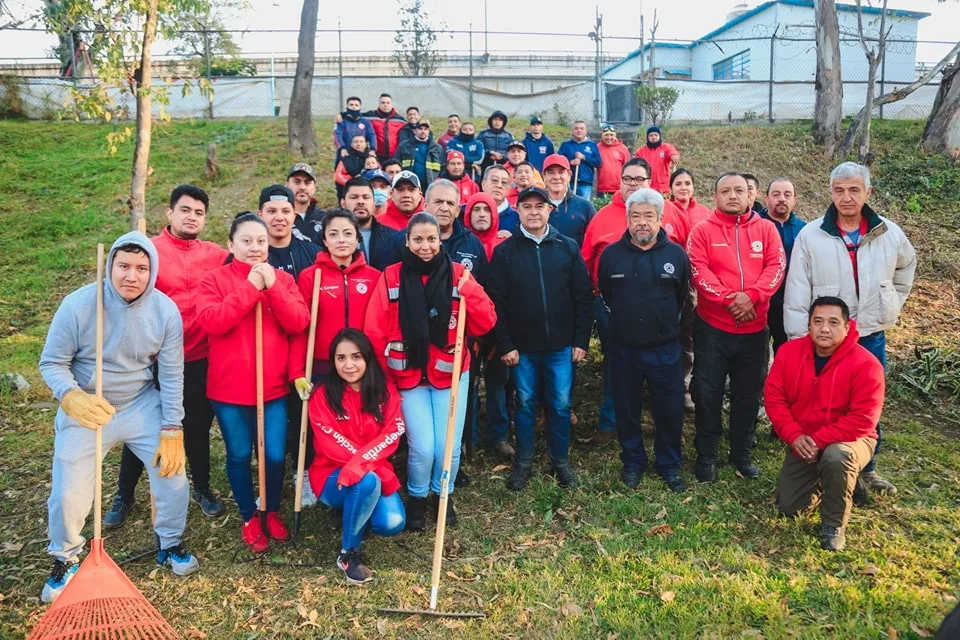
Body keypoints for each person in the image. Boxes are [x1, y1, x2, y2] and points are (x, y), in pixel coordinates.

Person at [39, 232, 200, 603]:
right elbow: (52, 362)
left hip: (141, 402)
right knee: (68, 491)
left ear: (153, 271)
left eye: (142, 268)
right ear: (109, 265)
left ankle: (170, 541)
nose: (132, 276)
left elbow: (173, 373)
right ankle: (64, 557)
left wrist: (172, 426)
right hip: (88, 406)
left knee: (173, 476)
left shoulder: (165, 311)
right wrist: (70, 395)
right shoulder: (79, 305)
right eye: (124, 266)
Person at [784, 161, 916, 496]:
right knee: (824, 400)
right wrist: (800, 338)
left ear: (867, 192)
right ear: (831, 192)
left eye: (854, 190)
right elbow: (798, 288)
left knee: (866, 404)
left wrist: (892, 302)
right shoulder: (811, 235)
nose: (847, 197)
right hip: (824, 339)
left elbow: (906, 267)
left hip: (869, 335)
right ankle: (821, 463)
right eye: (840, 190)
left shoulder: (888, 232)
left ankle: (865, 468)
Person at [105, 186, 227, 530]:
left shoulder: (216, 255)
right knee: (143, 426)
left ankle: (202, 487)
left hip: (201, 357)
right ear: (169, 214)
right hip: (152, 359)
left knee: (197, 427)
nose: (192, 217)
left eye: (199, 213)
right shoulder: (150, 253)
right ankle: (125, 494)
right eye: (185, 210)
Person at [364, 212, 497, 529]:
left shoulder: (459, 275)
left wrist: (472, 294)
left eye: (432, 239)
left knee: (447, 446)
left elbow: (486, 322)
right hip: (407, 378)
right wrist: (383, 377)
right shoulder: (391, 277)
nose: (425, 246)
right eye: (418, 239)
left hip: (449, 375)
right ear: (407, 241)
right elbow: (374, 331)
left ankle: (443, 495)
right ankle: (418, 498)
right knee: (423, 447)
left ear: (441, 241)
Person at [196, 213, 310, 552]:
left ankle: (270, 509)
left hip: (272, 388)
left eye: (261, 241)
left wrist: (272, 287)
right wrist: (250, 288)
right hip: (228, 391)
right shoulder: (213, 281)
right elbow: (214, 322)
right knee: (240, 453)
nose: (255, 248)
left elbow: (299, 322)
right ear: (231, 245)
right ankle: (248, 515)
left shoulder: (283, 280)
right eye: (246, 241)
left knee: (274, 455)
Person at [487, 187, 593, 491]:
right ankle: (523, 462)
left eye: (540, 206)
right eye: (527, 206)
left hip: (561, 345)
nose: (534, 211)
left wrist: (581, 340)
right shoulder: (506, 252)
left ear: (550, 210)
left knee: (560, 404)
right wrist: (505, 343)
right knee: (525, 404)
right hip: (522, 349)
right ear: (517, 211)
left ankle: (559, 461)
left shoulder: (567, 247)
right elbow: (497, 302)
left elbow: (583, 296)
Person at [687, 172, 785, 483]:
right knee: (707, 392)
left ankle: (741, 453)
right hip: (713, 329)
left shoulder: (767, 229)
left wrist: (752, 297)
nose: (733, 196)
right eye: (726, 191)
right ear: (714, 197)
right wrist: (731, 300)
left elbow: (776, 266)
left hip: (755, 331)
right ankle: (707, 454)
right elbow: (697, 270)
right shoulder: (702, 231)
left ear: (750, 196)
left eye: (739, 190)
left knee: (748, 394)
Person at [766, 297, 883, 551]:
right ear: (808, 326)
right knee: (791, 507)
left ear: (847, 327)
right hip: (804, 440)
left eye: (833, 322)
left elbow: (863, 420)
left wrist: (818, 441)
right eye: (817, 322)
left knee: (836, 457)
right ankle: (840, 480)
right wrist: (795, 436)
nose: (825, 329)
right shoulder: (788, 353)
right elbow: (774, 400)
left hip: (852, 440)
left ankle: (833, 525)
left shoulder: (866, 364)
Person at [598, 189, 690, 493]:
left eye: (649, 216)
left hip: (664, 349)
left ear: (660, 219)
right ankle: (633, 462)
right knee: (627, 409)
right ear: (627, 219)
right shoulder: (611, 256)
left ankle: (669, 464)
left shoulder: (676, 255)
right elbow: (606, 296)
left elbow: (681, 299)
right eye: (635, 216)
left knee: (669, 409)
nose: (642, 222)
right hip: (624, 349)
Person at [289, 210, 381, 491]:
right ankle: (315, 477)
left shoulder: (374, 277)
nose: (341, 240)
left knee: (359, 425)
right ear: (325, 241)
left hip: (360, 365)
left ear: (357, 238)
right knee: (324, 426)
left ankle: (360, 476)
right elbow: (300, 328)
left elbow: (379, 326)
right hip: (321, 365)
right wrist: (297, 372)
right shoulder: (309, 277)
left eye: (347, 233)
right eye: (333, 234)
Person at [308, 329, 407, 584]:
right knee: (368, 482)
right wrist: (359, 468)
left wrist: (360, 465)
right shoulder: (322, 395)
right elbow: (330, 443)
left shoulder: (385, 391)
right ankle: (348, 554)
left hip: (371, 469)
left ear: (367, 359)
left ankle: (357, 512)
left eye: (356, 357)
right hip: (332, 474)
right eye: (341, 358)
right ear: (333, 361)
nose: (349, 365)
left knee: (392, 523)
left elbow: (392, 433)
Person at [463, 193, 513, 457]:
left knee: (498, 384)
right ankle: (467, 437)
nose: (481, 214)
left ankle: (499, 435)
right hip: (467, 327)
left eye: (486, 210)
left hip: (497, 324)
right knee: (468, 384)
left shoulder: (505, 244)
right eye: (476, 209)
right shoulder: (463, 244)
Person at [382, 180, 489, 281]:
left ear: (457, 211)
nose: (444, 208)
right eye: (438, 202)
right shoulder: (399, 241)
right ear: (425, 206)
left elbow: (483, 287)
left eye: (450, 203)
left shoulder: (473, 244)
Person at [759, 177, 806, 353]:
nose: (782, 198)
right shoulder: (754, 225)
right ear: (766, 199)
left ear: (795, 199)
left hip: (791, 299)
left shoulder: (805, 230)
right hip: (760, 299)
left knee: (786, 349)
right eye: (776, 194)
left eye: (787, 194)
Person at [257, 185, 321, 281]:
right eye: (272, 211)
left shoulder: (315, 254)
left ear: (294, 215)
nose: (279, 217)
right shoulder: (251, 256)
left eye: (286, 211)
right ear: (260, 215)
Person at [541, 154, 596, 247]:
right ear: (544, 176)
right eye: (551, 172)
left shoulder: (585, 207)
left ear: (569, 175)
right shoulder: (535, 206)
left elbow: (594, 240)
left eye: (561, 172)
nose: (556, 177)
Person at [345, 175, 396, 270]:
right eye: (354, 197)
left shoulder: (392, 238)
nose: (361, 202)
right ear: (343, 203)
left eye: (366, 197)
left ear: (373, 203)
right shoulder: (329, 237)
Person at [557, 121, 601, 199]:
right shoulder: (566, 145)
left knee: (583, 207)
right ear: (572, 131)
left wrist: (584, 157)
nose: (579, 130)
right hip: (569, 182)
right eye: (576, 128)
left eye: (582, 128)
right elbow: (558, 161)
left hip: (585, 182)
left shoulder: (592, 145)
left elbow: (598, 162)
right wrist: (570, 162)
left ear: (586, 131)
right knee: (569, 205)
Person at [634, 126, 680, 194]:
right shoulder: (640, 151)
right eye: (651, 135)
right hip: (647, 187)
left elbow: (672, 152)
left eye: (656, 135)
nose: (654, 137)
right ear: (647, 137)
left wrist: (674, 156)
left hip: (663, 187)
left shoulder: (666, 147)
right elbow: (636, 167)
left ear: (659, 136)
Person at [397, 120, 443, 188]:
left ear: (428, 131)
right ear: (414, 131)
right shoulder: (404, 146)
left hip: (430, 184)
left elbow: (443, 166)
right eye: (420, 129)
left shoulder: (437, 148)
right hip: (409, 183)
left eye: (425, 129)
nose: (423, 131)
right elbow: (397, 163)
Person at [286, 163, 325, 243]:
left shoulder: (325, 218)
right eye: (297, 182)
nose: (302, 187)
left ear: (314, 187)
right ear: (287, 185)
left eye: (307, 183)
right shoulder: (279, 218)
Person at [363, 93, 407, 161]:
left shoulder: (400, 120)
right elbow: (355, 116)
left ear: (391, 104)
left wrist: (421, 123)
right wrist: (342, 115)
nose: (385, 105)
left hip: (395, 156)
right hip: (376, 156)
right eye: (383, 102)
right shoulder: (370, 116)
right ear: (379, 104)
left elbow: (412, 127)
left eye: (388, 103)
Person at [334, 96, 377, 161]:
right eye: (351, 105)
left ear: (360, 107)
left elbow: (371, 135)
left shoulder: (365, 121)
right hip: (345, 152)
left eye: (356, 105)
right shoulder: (341, 121)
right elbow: (337, 135)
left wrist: (372, 149)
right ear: (347, 107)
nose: (354, 107)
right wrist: (342, 148)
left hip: (362, 153)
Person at [481, 164, 519, 233]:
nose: (499, 185)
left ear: (509, 189)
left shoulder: (517, 218)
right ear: (483, 184)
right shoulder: (467, 212)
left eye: (504, 182)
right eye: (494, 180)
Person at [596, 124, 631, 197]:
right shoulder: (597, 148)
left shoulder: (623, 148)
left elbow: (628, 168)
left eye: (611, 135)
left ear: (615, 136)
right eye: (606, 135)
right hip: (602, 188)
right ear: (602, 136)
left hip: (618, 188)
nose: (609, 137)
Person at [334, 134, 372, 200]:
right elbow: (338, 175)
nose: (358, 144)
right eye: (356, 142)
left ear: (366, 144)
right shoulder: (346, 158)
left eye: (361, 141)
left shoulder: (371, 158)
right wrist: (352, 183)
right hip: (349, 189)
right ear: (351, 144)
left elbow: (378, 172)